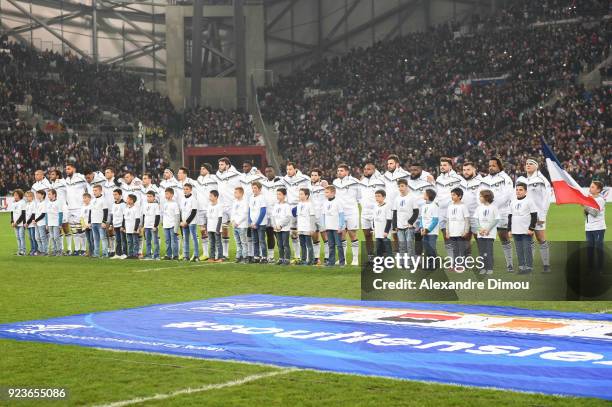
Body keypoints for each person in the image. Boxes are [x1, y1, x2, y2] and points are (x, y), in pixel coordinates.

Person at [516, 158, 552, 273]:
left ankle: (546, 265)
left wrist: (542, 216)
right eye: (526, 163)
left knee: (541, 239)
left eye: (531, 164)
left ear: (537, 166)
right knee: (527, 240)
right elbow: (515, 197)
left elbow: (546, 199)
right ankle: (529, 266)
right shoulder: (521, 179)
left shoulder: (542, 180)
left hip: (537, 215)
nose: (528, 165)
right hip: (523, 215)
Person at [480, 157, 514, 272]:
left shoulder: (506, 178)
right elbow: (479, 195)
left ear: (499, 166)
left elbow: (507, 196)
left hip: (502, 212)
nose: (491, 167)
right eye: (489, 165)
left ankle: (509, 264)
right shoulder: (484, 180)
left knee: (504, 238)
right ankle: (487, 265)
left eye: (493, 165)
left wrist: (492, 206)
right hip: (486, 214)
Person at [280, 162, 310, 262]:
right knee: (293, 232)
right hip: (290, 208)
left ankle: (308, 256)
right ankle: (297, 256)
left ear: (295, 169)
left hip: (301, 206)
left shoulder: (304, 178)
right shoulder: (284, 179)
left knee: (304, 233)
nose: (288, 171)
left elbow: (311, 190)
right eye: (287, 169)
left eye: (290, 169)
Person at [435, 157, 464, 260]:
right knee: (445, 236)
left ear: (450, 166)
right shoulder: (438, 179)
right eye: (441, 165)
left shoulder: (457, 178)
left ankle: (459, 260)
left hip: (453, 211)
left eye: (445, 165)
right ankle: (451, 260)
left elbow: (463, 193)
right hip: (441, 211)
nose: (442, 167)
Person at [333, 163, 361, 266]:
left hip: (351, 212)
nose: (339, 172)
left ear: (347, 172)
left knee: (352, 234)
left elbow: (359, 197)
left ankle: (355, 259)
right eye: (338, 171)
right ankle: (342, 259)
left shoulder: (355, 182)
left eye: (341, 171)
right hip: (340, 213)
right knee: (341, 236)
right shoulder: (335, 182)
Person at [508, 182, 538, 274]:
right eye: (517, 189)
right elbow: (510, 216)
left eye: (520, 190)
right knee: (519, 250)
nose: (518, 191)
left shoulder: (529, 201)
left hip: (526, 231)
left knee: (526, 249)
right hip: (515, 231)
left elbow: (534, 215)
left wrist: (531, 228)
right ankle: (521, 267)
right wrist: (509, 230)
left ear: (525, 191)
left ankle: (529, 268)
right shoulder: (513, 202)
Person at [216, 157, 242, 259]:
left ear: (227, 165)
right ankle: (225, 253)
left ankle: (240, 252)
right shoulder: (218, 175)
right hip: (222, 205)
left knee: (237, 229)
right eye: (219, 165)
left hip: (232, 205)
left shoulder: (237, 175)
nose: (220, 167)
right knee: (224, 229)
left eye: (222, 164)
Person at [359, 163, 385, 260]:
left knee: (379, 235)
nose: (366, 171)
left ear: (374, 170)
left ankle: (382, 256)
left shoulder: (380, 180)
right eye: (365, 169)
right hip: (364, 212)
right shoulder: (361, 181)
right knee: (367, 235)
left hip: (376, 212)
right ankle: (370, 255)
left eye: (369, 169)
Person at [407, 163, 435, 256]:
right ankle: (416, 257)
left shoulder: (427, 180)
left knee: (424, 237)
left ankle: (428, 257)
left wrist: (433, 183)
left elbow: (434, 194)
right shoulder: (408, 181)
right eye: (411, 170)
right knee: (412, 237)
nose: (413, 172)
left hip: (424, 214)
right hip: (411, 214)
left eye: (415, 170)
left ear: (421, 170)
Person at [65, 163, 88, 256]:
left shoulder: (81, 177)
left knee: (81, 230)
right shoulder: (66, 180)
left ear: (74, 169)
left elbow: (88, 188)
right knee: (74, 230)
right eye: (66, 169)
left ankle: (83, 249)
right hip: (70, 208)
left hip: (80, 208)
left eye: (69, 169)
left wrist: (86, 203)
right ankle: (77, 249)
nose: (67, 171)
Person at [475, 189, 500, 275]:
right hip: (481, 234)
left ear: (486, 197)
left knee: (488, 251)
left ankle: (489, 268)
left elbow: (497, 219)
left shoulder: (494, 207)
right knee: (482, 252)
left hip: (490, 234)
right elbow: (475, 219)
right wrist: (480, 229)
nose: (479, 198)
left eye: (481, 196)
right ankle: (482, 267)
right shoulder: (479, 208)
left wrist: (488, 229)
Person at [583, 180, 606, 272]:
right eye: (590, 186)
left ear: (598, 190)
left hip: (599, 228)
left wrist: (585, 206)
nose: (590, 188)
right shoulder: (589, 199)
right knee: (590, 248)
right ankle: (590, 267)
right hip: (588, 227)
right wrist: (585, 209)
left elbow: (595, 213)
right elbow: (586, 214)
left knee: (598, 247)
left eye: (592, 187)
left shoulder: (600, 200)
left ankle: (600, 268)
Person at [196, 163, 218, 258]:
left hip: (210, 208)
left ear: (208, 170)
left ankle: (216, 253)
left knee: (212, 231)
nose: (201, 170)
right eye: (201, 168)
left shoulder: (214, 179)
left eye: (203, 168)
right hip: (200, 209)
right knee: (203, 231)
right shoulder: (198, 179)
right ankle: (205, 253)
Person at [445, 187, 470, 272]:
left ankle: (462, 265)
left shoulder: (463, 206)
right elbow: (448, 220)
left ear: (460, 196)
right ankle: (455, 265)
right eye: (451, 195)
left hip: (460, 232)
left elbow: (467, 220)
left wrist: (466, 231)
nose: (452, 196)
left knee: (461, 249)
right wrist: (447, 232)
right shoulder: (450, 206)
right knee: (454, 249)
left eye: (454, 195)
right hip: (452, 232)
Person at [393, 179, 419, 257]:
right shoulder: (397, 198)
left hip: (409, 226)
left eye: (402, 186)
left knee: (410, 246)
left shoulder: (412, 197)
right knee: (401, 246)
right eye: (399, 186)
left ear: (407, 186)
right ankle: (402, 263)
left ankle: (411, 263)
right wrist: (394, 226)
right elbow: (395, 212)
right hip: (399, 226)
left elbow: (416, 212)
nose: (400, 188)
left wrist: (410, 222)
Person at [461, 162, 483, 253]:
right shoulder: (461, 181)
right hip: (464, 216)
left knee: (479, 239)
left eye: (468, 170)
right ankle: (467, 261)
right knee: (465, 239)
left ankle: (485, 262)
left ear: (474, 169)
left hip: (476, 216)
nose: (465, 172)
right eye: (464, 170)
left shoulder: (481, 182)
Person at [262, 166, 283, 262]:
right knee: (269, 234)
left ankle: (282, 255)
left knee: (278, 234)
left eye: (270, 171)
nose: (268, 173)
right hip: (267, 212)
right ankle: (270, 256)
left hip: (277, 212)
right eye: (266, 171)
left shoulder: (281, 181)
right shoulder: (263, 183)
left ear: (274, 171)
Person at [322, 185, 345, 267]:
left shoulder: (338, 202)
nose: (325, 194)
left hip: (336, 228)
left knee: (339, 245)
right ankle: (331, 262)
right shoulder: (325, 203)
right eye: (325, 192)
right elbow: (323, 215)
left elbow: (341, 215)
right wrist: (324, 226)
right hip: (328, 227)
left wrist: (340, 227)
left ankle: (342, 262)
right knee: (330, 245)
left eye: (327, 192)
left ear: (333, 193)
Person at [309, 168, 329, 265]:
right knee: (314, 237)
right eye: (312, 175)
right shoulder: (308, 186)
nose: (313, 177)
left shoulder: (324, 186)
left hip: (322, 214)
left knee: (325, 237)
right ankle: (316, 258)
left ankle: (327, 257)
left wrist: (327, 187)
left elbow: (330, 194)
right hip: (312, 215)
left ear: (320, 176)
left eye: (315, 175)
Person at [271, 188, 292, 265]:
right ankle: (281, 258)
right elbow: (273, 216)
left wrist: (280, 225)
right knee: (279, 244)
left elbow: (288, 217)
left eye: (279, 194)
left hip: (284, 229)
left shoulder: (287, 205)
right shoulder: (276, 205)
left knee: (285, 244)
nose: (278, 196)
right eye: (277, 194)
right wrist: (274, 225)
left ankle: (287, 259)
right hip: (276, 228)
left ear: (284, 195)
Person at [420, 189, 439, 270]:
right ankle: (429, 264)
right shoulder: (423, 206)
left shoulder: (434, 206)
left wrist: (427, 230)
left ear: (428, 196)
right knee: (427, 249)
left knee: (431, 249)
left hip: (432, 233)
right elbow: (421, 218)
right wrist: (421, 228)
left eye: (424, 193)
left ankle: (434, 265)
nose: (423, 194)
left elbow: (435, 220)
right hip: (424, 231)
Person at [295, 188, 316, 265]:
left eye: (301, 194)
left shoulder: (310, 204)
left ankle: (311, 260)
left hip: (307, 228)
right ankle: (303, 260)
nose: (300, 195)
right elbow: (298, 217)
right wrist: (297, 227)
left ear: (306, 195)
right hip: (301, 227)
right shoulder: (299, 204)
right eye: (299, 194)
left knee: (309, 245)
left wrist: (312, 228)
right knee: (302, 245)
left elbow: (312, 217)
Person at [249, 181, 268, 263]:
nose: (254, 189)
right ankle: (256, 256)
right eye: (253, 188)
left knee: (261, 241)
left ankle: (264, 257)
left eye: (255, 188)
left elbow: (263, 211)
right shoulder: (251, 197)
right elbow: (249, 210)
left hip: (261, 224)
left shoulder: (262, 198)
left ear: (260, 189)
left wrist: (257, 223)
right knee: (255, 241)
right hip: (253, 224)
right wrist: (250, 222)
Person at [180, 183, 200, 262]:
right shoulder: (182, 199)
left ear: (191, 190)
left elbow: (193, 212)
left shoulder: (193, 199)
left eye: (187, 189)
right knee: (185, 239)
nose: (185, 190)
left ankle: (196, 255)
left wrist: (187, 222)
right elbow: (181, 211)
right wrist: (182, 221)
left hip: (191, 222)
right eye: (184, 189)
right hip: (184, 222)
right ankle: (186, 255)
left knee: (193, 238)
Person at [90, 184, 109, 258]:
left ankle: (105, 254)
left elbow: (106, 211)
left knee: (103, 238)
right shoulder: (93, 200)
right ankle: (96, 253)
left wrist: (104, 222)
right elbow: (90, 212)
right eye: (93, 190)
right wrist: (90, 222)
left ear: (100, 191)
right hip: (93, 222)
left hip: (100, 223)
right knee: (95, 239)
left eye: (96, 190)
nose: (94, 192)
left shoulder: (103, 200)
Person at [231, 186, 249, 263]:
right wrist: (232, 221)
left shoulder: (245, 202)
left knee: (243, 242)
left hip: (242, 225)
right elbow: (232, 213)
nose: (234, 194)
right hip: (235, 225)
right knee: (237, 242)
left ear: (241, 193)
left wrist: (237, 222)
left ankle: (245, 257)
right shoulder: (234, 202)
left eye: (236, 192)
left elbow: (245, 214)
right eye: (234, 192)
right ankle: (239, 256)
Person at [162, 187, 181, 260]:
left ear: (172, 195)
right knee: (167, 241)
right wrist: (162, 222)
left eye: (167, 194)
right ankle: (168, 255)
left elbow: (177, 216)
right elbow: (163, 214)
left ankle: (175, 255)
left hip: (172, 225)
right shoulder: (165, 203)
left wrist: (176, 228)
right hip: (166, 225)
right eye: (165, 194)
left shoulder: (175, 204)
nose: (166, 195)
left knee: (174, 241)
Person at [373, 190, 393, 257]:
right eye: (376, 196)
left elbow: (389, 220)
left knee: (388, 250)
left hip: (384, 233)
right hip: (377, 233)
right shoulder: (375, 206)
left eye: (379, 196)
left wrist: (386, 231)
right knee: (378, 250)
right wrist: (374, 229)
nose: (377, 198)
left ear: (384, 197)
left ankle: (390, 264)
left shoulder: (387, 206)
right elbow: (374, 219)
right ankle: (379, 264)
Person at [206, 190, 224, 262]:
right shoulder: (209, 205)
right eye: (209, 196)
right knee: (211, 243)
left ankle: (220, 257)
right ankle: (212, 257)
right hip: (210, 227)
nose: (209, 197)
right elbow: (207, 217)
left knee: (218, 243)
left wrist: (218, 229)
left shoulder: (219, 206)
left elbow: (220, 218)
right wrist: (207, 228)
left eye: (211, 196)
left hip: (216, 228)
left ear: (216, 197)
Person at [143, 190, 161, 260]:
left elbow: (157, 216)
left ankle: (156, 255)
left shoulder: (156, 205)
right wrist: (144, 225)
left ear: (154, 197)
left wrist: (155, 226)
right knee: (147, 241)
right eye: (148, 196)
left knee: (155, 241)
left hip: (152, 226)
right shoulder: (145, 205)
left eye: (150, 196)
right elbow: (144, 215)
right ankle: (148, 255)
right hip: (146, 226)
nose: (149, 198)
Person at [123, 194, 141, 259]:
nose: (127, 200)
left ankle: (135, 254)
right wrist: (124, 227)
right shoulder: (126, 208)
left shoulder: (136, 208)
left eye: (128, 199)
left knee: (135, 242)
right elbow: (124, 218)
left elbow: (137, 219)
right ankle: (130, 254)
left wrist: (135, 229)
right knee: (129, 242)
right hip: (127, 228)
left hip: (133, 228)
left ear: (132, 200)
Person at [46, 189, 63, 256]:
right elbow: (47, 214)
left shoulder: (58, 202)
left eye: (49, 194)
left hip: (56, 222)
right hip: (50, 223)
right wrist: (47, 223)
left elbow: (60, 213)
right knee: (52, 237)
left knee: (56, 237)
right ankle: (54, 251)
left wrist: (60, 224)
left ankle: (59, 250)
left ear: (54, 194)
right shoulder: (48, 203)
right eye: (48, 194)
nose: (48, 196)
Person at [110, 189, 127, 259]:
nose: (114, 196)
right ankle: (118, 253)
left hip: (121, 225)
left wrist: (123, 226)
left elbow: (124, 215)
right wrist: (111, 224)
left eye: (116, 194)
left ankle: (125, 253)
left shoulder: (123, 204)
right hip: (115, 224)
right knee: (118, 240)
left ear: (120, 195)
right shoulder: (113, 204)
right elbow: (112, 215)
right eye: (113, 194)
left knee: (123, 239)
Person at [10, 189, 26, 256]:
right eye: (14, 195)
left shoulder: (23, 202)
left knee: (21, 237)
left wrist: (17, 222)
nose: (15, 196)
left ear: (20, 195)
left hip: (21, 223)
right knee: (17, 237)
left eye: (16, 195)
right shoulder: (13, 203)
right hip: (15, 224)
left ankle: (23, 251)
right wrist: (12, 222)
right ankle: (19, 250)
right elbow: (12, 213)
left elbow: (23, 214)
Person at [33, 190, 48, 256]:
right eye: (36, 194)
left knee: (42, 237)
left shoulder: (45, 203)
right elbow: (36, 213)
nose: (36, 195)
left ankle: (45, 251)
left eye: (38, 194)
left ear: (42, 195)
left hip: (42, 223)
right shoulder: (38, 203)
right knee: (37, 238)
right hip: (36, 223)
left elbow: (43, 214)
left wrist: (36, 220)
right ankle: (40, 250)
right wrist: (34, 220)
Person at [24, 191, 38, 255]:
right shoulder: (27, 204)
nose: (27, 198)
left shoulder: (34, 203)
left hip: (32, 223)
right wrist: (25, 223)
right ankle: (32, 249)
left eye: (28, 196)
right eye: (26, 196)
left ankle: (35, 249)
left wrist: (28, 223)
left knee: (33, 237)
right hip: (28, 224)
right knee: (30, 237)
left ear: (32, 197)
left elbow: (33, 214)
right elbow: (25, 214)